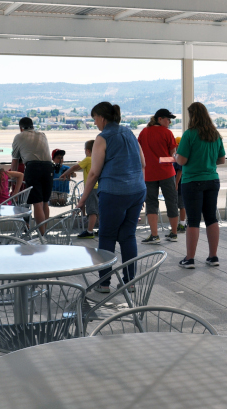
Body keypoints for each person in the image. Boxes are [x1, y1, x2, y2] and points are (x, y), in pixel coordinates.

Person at [77, 102, 145, 293]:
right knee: (128, 235)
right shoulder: (129, 133)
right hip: (137, 191)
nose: (95, 123)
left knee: (106, 236)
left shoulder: (103, 137)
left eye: (95, 119)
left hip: (114, 192)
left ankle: (104, 283)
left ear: (102, 117)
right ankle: (129, 281)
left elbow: (93, 173)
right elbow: (143, 163)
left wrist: (83, 199)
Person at [175, 102, 226, 269]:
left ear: (192, 116)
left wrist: (176, 156)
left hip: (192, 182)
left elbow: (182, 160)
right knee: (211, 218)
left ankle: (190, 259)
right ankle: (213, 256)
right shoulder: (215, 135)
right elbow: (221, 160)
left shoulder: (189, 135)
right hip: (212, 180)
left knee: (194, 220)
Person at [138, 109, 180, 244]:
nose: (169, 122)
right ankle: (174, 233)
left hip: (149, 173)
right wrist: (162, 160)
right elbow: (173, 155)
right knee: (171, 201)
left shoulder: (144, 132)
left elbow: (139, 151)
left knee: (151, 203)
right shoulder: (167, 133)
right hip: (166, 172)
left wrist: (152, 161)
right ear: (160, 119)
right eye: (168, 119)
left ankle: (154, 235)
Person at [11, 117, 52, 237]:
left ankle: (42, 236)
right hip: (49, 167)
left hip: (33, 167)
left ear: (21, 128)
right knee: (45, 202)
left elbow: (15, 161)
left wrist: (13, 178)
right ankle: (45, 232)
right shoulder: (42, 135)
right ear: (32, 126)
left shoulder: (19, 137)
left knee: (37, 203)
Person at [61, 141, 99, 239]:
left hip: (91, 188)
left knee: (92, 210)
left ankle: (89, 231)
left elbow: (75, 167)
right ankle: (101, 229)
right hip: (99, 187)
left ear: (87, 150)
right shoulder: (97, 159)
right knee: (98, 209)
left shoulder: (88, 159)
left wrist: (66, 173)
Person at [174, 136, 187, 233]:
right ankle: (181, 223)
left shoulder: (180, 155)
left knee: (181, 205)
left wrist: (176, 183)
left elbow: (179, 171)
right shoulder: (179, 155)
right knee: (180, 204)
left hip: (180, 184)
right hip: (182, 184)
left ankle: (182, 223)